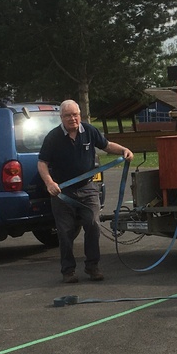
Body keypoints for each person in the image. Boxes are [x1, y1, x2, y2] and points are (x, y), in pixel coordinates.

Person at [38, 100, 133, 283]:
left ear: (80, 115)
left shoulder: (89, 131)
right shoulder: (53, 137)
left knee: (93, 224)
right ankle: (68, 271)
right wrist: (49, 182)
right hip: (63, 192)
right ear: (62, 118)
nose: (72, 118)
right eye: (68, 115)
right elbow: (42, 163)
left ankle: (93, 266)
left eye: (75, 115)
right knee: (65, 231)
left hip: (88, 188)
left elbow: (106, 145)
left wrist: (124, 150)